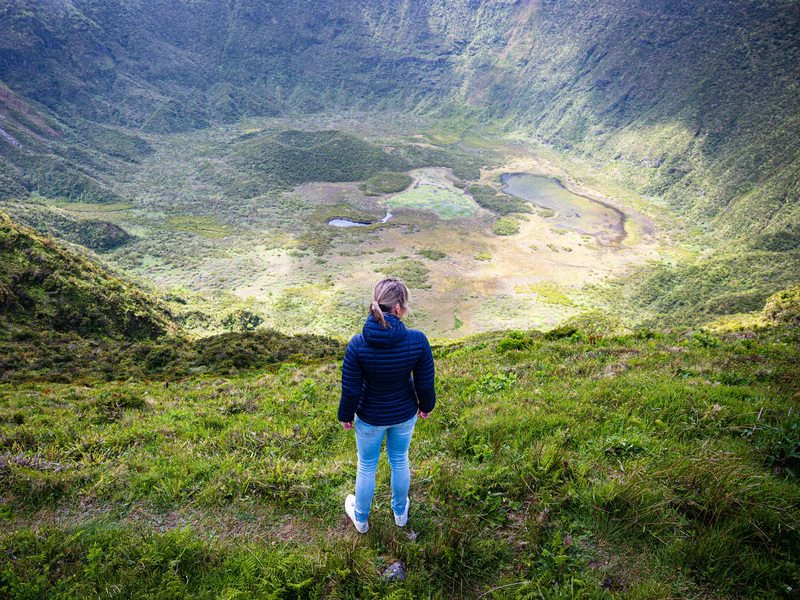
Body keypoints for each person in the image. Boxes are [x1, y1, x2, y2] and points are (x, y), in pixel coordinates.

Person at [338, 278, 436, 533]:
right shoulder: (418, 341)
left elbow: (351, 389)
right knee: (399, 460)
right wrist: (426, 406)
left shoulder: (358, 344)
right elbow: (425, 384)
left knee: (367, 465)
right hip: (404, 413)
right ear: (399, 308)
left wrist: (346, 415)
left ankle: (361, 519)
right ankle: (400, 514)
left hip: (369, 416)